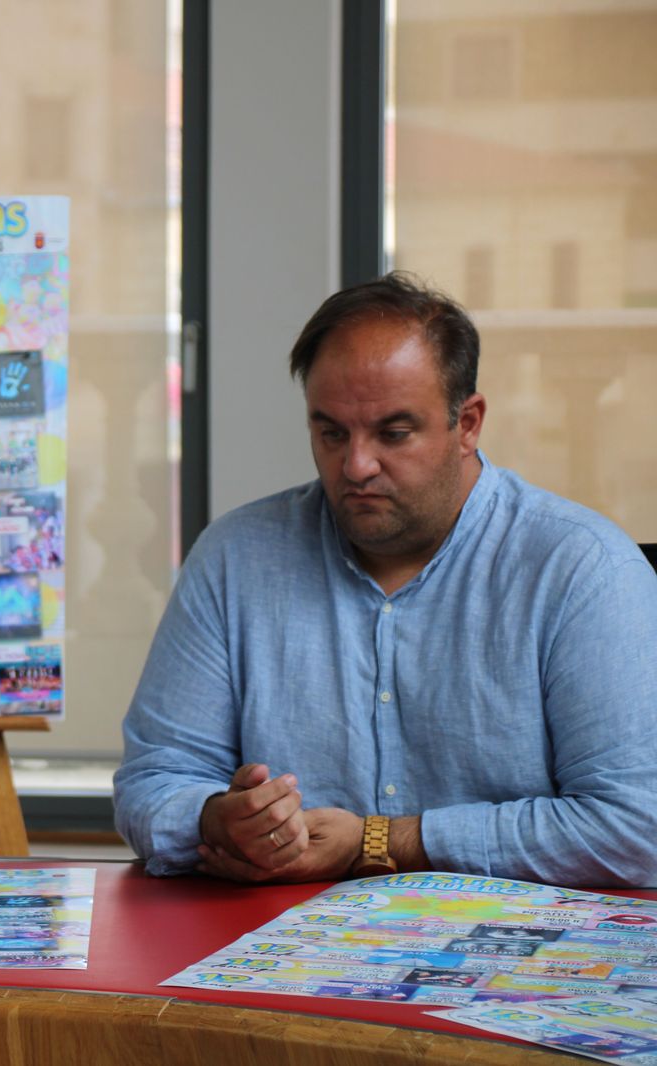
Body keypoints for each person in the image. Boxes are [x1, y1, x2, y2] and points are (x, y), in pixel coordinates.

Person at [113, 273, 657, 888]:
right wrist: (219, 821)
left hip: (519, 965)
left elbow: (637, 827)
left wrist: (380, 842)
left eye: (393, 434)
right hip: (277, 959)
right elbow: (154, 781)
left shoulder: (582, 569)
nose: (356, 465)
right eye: (331, 432)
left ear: (468, 423)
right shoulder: (236, 557)